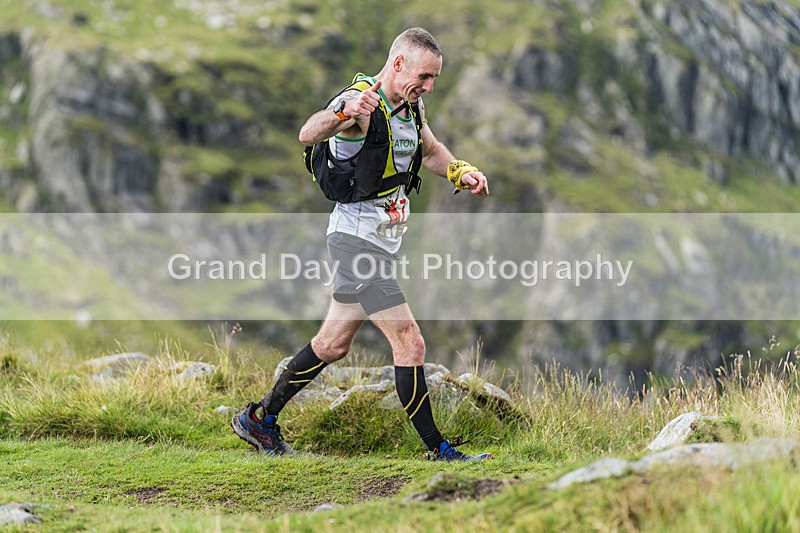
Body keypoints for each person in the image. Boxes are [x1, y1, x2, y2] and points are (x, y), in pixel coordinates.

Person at [232, 28, 491, 461]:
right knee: (411, 342)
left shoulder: (411, 107)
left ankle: (259, 420)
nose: (429, 86)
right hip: (357, 244)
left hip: (381, 242)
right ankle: (439, 450)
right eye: (425, 76)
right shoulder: (361, 100)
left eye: (434, 80)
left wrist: (459, 170)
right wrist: (342, 113)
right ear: (398, 64)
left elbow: (430, 152)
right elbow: (307, 132)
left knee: (333, 344)